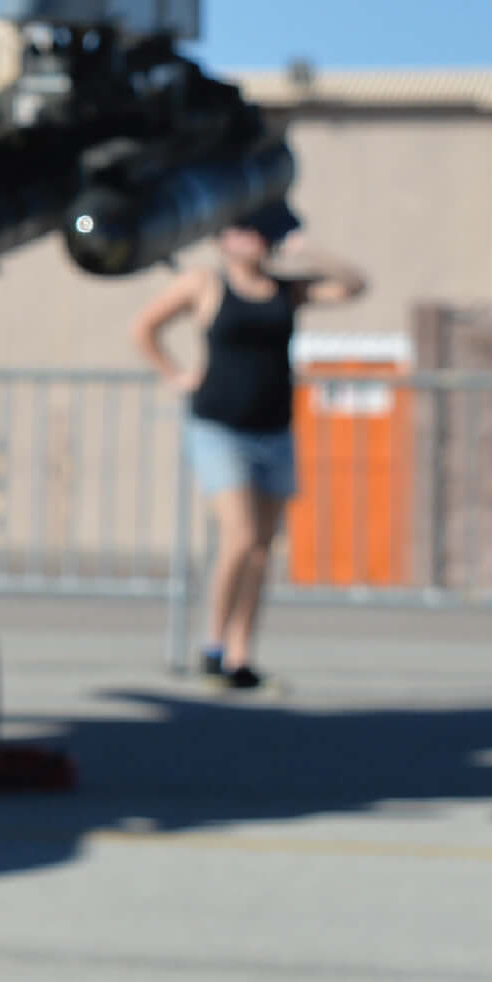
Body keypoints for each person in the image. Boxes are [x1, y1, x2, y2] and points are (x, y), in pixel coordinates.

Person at [133, 198, 365, 691]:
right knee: (237, 538)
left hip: (274, 429)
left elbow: (355, 285)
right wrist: (175, 375)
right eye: (240, 231)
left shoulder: (288, 289)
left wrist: (307, 249)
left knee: (261, 550)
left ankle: (241, 655)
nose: (248, 240)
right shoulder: (205, 283)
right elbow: (144, 328)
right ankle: (212, 647)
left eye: (257, 232)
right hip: (220, 427)